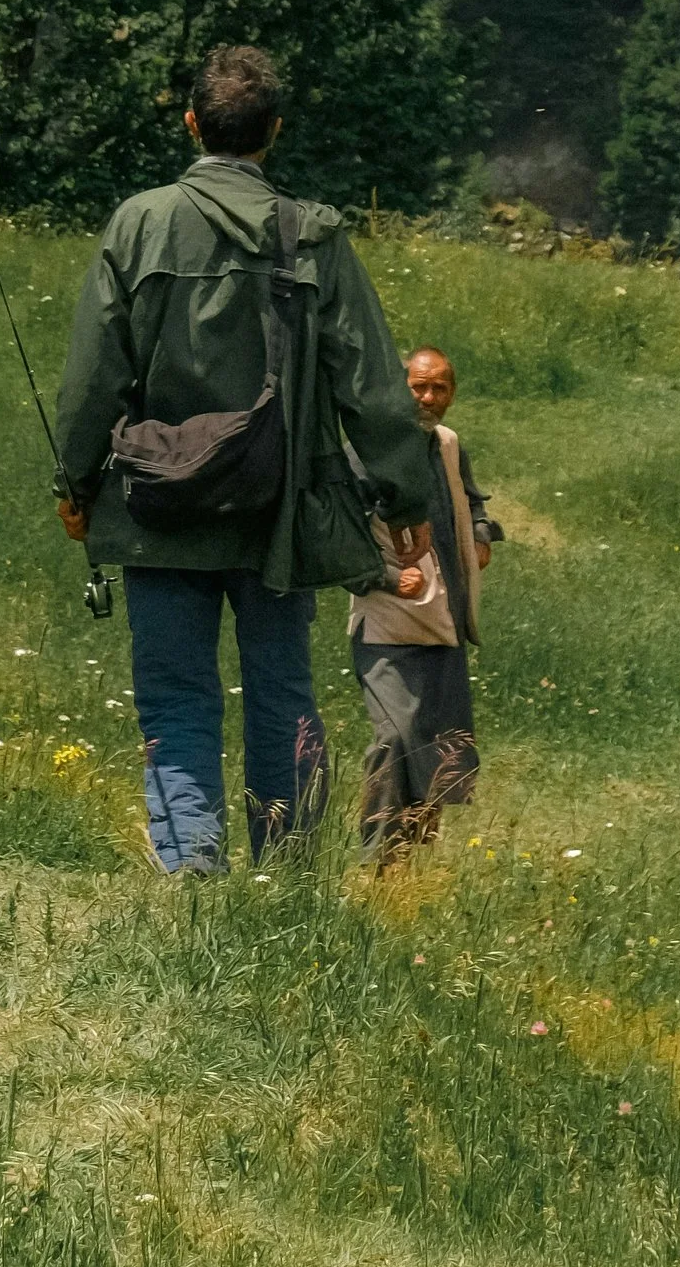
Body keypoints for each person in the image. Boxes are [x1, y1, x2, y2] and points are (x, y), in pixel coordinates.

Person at [54, 43, 437, 875]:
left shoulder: (140, 222)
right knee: (281, 692)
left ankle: (190, 863)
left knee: (175, 694)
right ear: (275, 134)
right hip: (279, 512)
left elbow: (93, 377)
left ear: (192, 123)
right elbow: (372, 387)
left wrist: (76, 483)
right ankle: (287, 870)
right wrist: (407, 502)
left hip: (159, 506)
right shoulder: (313, 238)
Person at [349, 343, 497, 859]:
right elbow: (340, 539)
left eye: (440, 388)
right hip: (388, 624)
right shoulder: (372, 451)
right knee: (395, 736)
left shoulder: (448, 443)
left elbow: (473, 497)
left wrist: (480, 533)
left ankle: (411, 861)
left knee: (436, 743)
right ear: (400, 389)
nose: (430, 397)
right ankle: (377, 862)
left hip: (445, 621)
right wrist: (390, 578)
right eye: (419, 387)